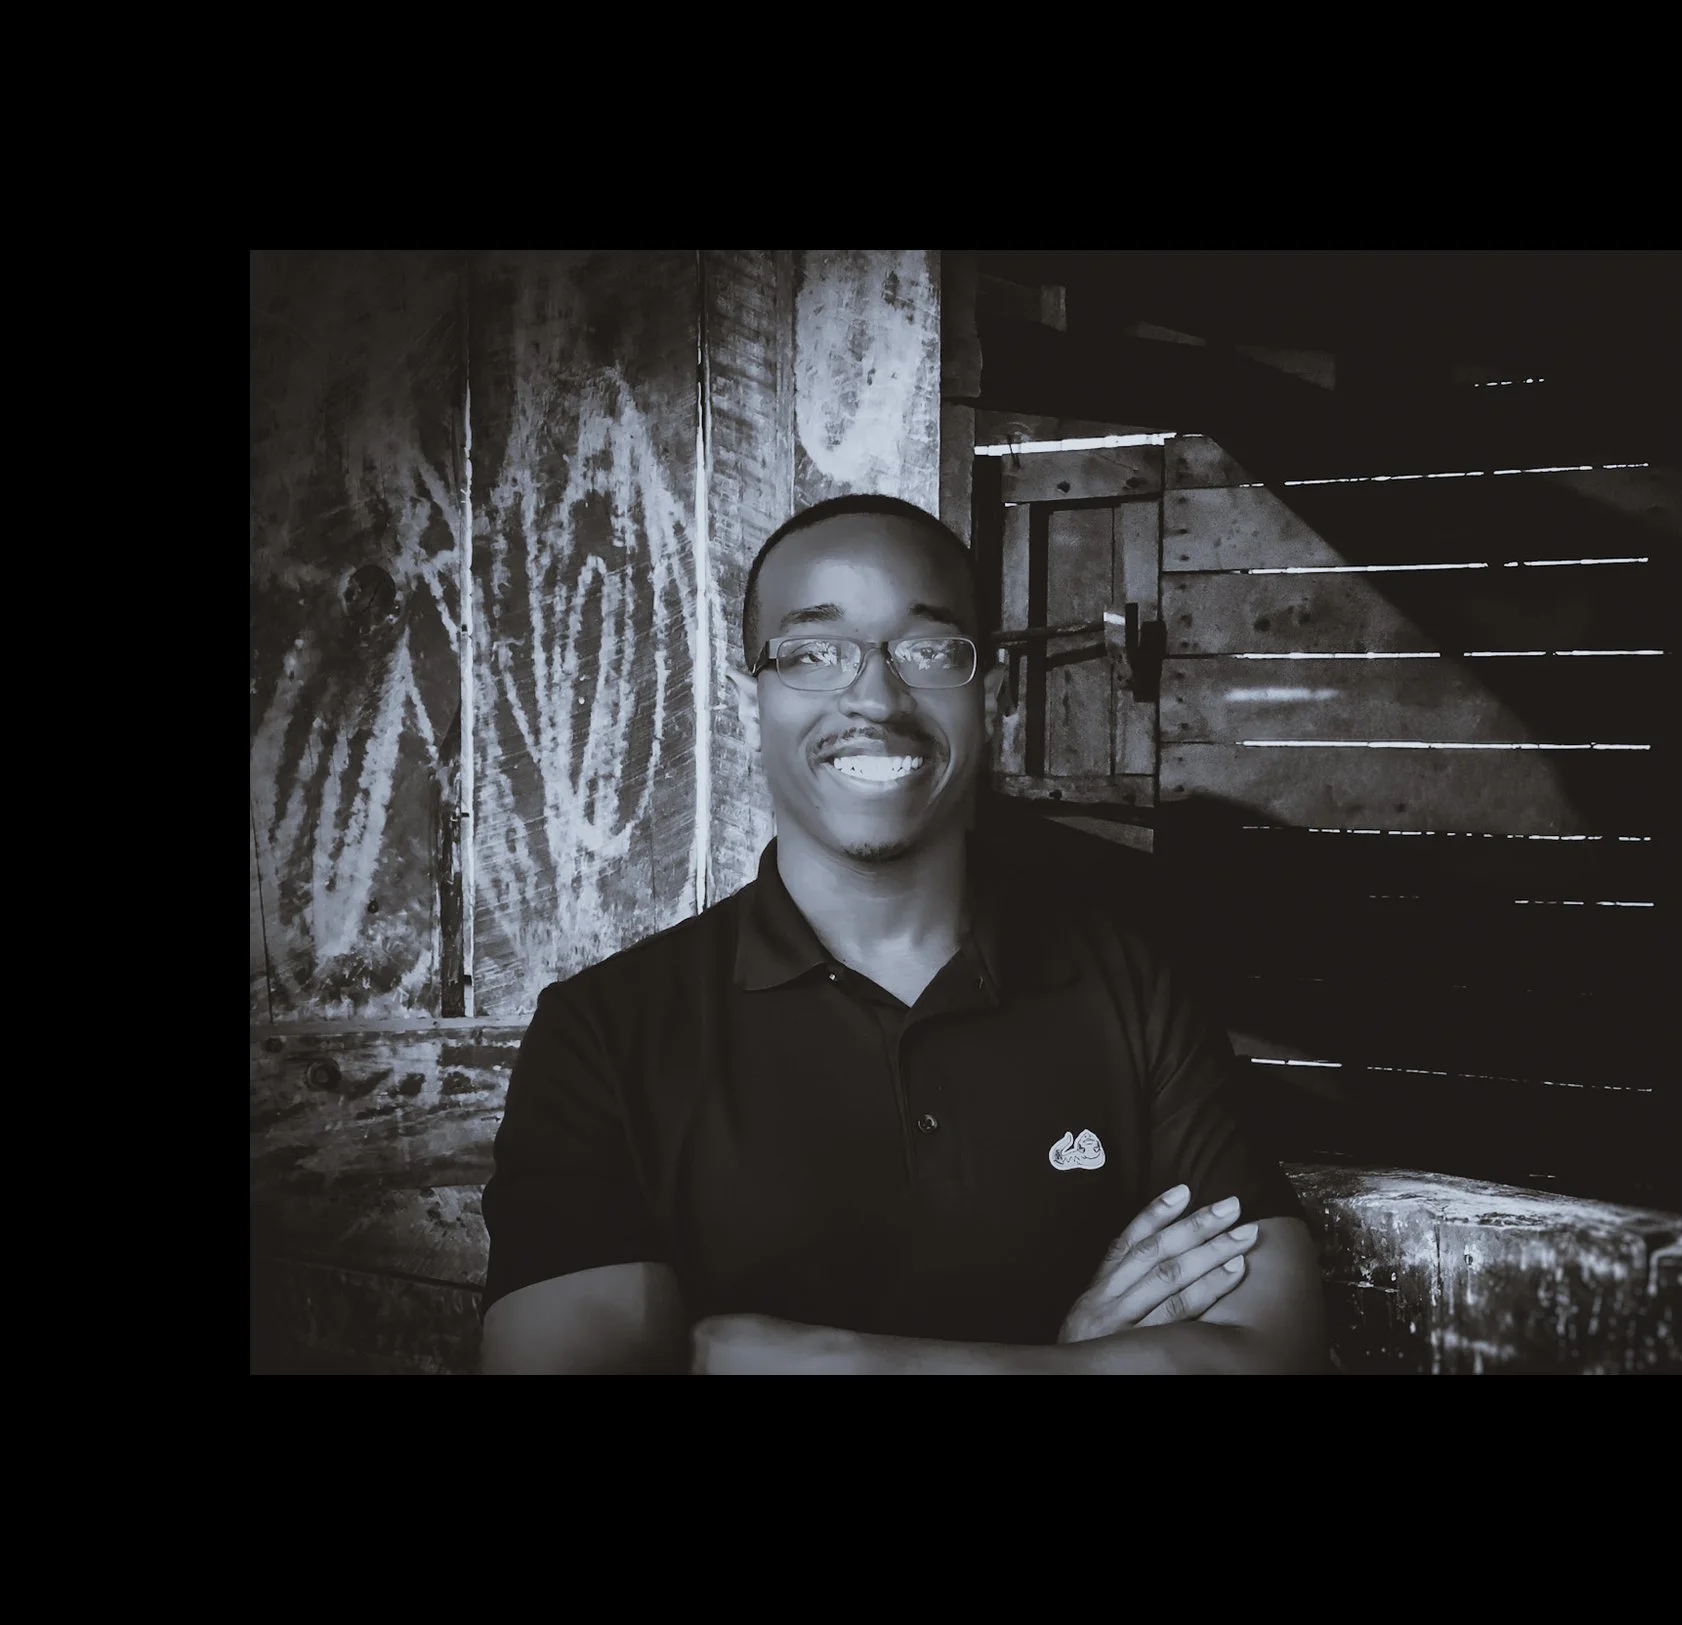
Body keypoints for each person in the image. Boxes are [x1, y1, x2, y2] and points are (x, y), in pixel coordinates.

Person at [477, 493, 1329, 1373]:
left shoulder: (1132, 987)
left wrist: (737, 1352)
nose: (876, 695)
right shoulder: (605, 1033)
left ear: (988, 703)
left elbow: (1275, 1347)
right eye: (813, 652)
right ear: (750, 705)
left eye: (927, 650)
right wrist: (1067, 1359)